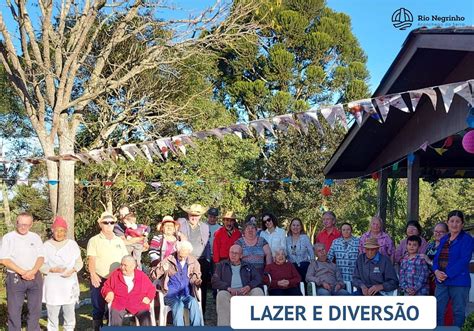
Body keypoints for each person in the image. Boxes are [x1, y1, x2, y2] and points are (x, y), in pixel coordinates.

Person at [0, 212, 45, 331]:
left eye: (27, 224)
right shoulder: (8, 237)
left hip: (35, 277)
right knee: (14, 311)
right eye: (21, 224)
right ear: (16, 223)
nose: (24, 227)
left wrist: (33, 271)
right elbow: (4, 259)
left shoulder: (35, 237)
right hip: (15, 278)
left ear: (31, 224)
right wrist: (23, 272)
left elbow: (41, 257)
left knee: (35, 309)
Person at [87, 211, 129, 330]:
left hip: (116, 279)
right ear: (100, 224)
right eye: (106, 222)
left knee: (114, 307)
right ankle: (97, 328)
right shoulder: (94, 240)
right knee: (98, 306)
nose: (109, 225)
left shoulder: (119, 241)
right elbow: (91, 259)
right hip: (99, 277)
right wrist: (93, 274)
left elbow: (125, 259)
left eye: (112, 222)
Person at [41, 216, 83, 331]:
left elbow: (79, 262)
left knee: (69, 314)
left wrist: (73, 270)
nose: (59, 233)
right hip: (53, 285)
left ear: (66, 232)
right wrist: (51, 269)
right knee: (52, 315)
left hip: (69, 284)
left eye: (62, 231)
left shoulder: (72, 244)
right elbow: (40, 265)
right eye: (57, 230)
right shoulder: (46, 246)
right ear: (52, 231)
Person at [433, 210, 474, 327]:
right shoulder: (444, 239)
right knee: (438, 311)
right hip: (441, 281)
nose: (454, 224)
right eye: (452, 221)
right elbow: (436, 259)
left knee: (458, 312)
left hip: (459, 282)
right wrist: (436, 271)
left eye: (457, 221)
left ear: (462, 224)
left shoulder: (468, 240)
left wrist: (446, 274)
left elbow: (464, 260)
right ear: (448, 223)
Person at [150, 240, 203, 326]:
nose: (182, 258)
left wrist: (197, 280)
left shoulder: (193, 261)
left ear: (189, 253)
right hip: (170, 294)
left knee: (193, 302)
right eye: (180, 255)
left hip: (186, 294)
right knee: (179, 304)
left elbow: (196, 276)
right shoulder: (168, 259)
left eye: (184, 256)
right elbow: (153, 275)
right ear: (177, 251)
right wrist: (162, 269)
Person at [211, 245, 263, 326]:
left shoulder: (248, 266)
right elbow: (214, 280)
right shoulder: (221, 265)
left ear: (241, 255)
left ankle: (257, 325)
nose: (233, 255)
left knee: (258, 291)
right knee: (221, 295)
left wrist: (249, 286)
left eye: (236, 253)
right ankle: (224, 326)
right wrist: (228, 288)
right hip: (229, 292)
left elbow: (258, 278)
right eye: (231, 252)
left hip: (246, 292)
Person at [102, 255, 156, 326]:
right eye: (121, 264)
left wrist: (149, 297)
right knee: (115, 314)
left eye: (125, 265)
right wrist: (109, 292)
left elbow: (151, 288)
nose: (122, 267)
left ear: (133, 266)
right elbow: (106, 287)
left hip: (138, 302)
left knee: (145, 316)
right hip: (119, 302)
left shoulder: (141, 275)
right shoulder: (116, 274)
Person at [178, 204, 210, 315]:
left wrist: (208, 259)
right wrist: (179, 234)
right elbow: (171, 228)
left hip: (201, 260)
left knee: (202, 287)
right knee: (185, 285)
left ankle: (201, 313)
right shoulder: (181, 223)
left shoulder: (205, 227)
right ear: (188, 214)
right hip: (186, 259)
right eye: (192, 215)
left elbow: (207, 244)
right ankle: (185, 313)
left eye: (197, 215)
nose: (194, 217)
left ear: (200, 216)